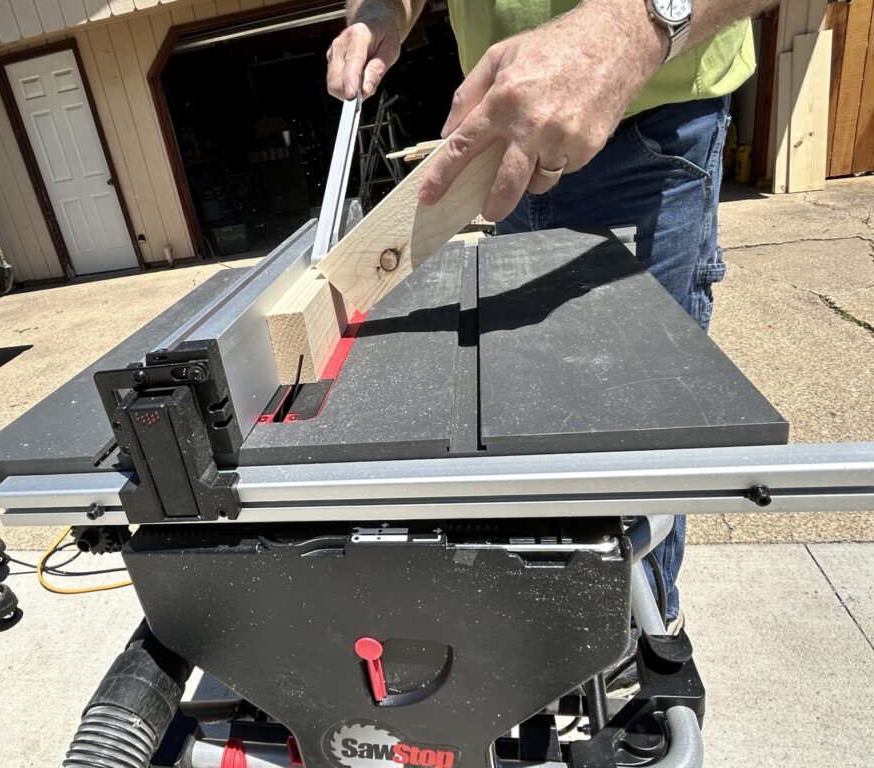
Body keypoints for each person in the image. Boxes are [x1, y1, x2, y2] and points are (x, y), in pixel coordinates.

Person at [327, 0, 777, 627]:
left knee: (646, 414)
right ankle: (561, 628)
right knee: (542, 401)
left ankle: (643, 636)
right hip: (509, 138)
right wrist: (379, 10)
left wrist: (634, 27)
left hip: (650, 118)